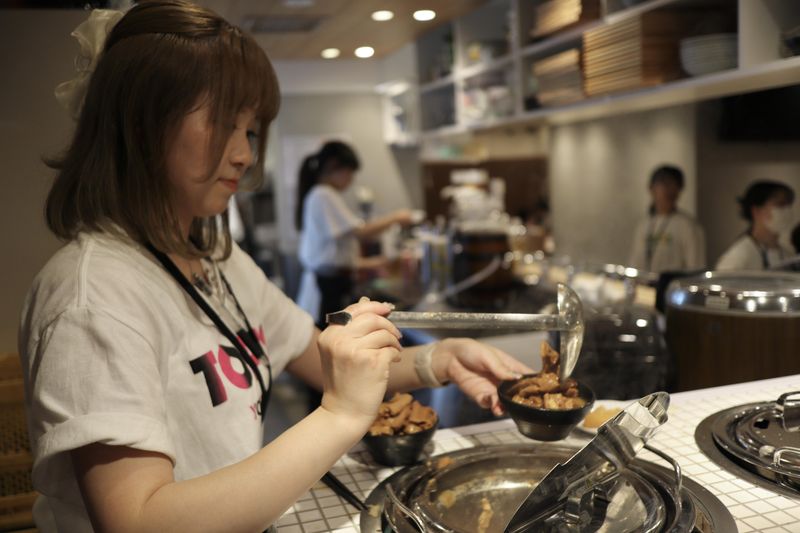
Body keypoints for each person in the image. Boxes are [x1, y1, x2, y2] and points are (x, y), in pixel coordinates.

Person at [18, 3, 531, 532]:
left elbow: (321, 361)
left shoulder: (217, 260)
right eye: (224, 123)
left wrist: (440, 360)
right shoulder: (93, 297)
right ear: (142, 123)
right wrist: (338, 416)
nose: (243, 153)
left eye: (250, 130)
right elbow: (138, 521)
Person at [295, 140, 413, 327]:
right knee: (332, 335)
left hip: (330, 283)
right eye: (350, 172)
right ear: (334, 167)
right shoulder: (323, 194)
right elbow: (360, 232)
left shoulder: (322, 195)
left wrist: (373, 263)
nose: (351, 179)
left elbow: (337, 251)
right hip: (327, 287)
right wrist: (397, 217)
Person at [628, 165, 706, 273]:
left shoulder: (688, 226)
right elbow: (635, 264)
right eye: (665, 184)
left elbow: (695, 268)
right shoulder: (644, 225)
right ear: (651, 189)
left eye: (675, 185)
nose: (670, 190)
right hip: (645, 282)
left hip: (673, 283)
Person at [716, 180, 796, 270]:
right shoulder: (739, 256)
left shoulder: (788, 255)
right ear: (756, 211)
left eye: (789, 205)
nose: (787, 210)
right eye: (780, 204)